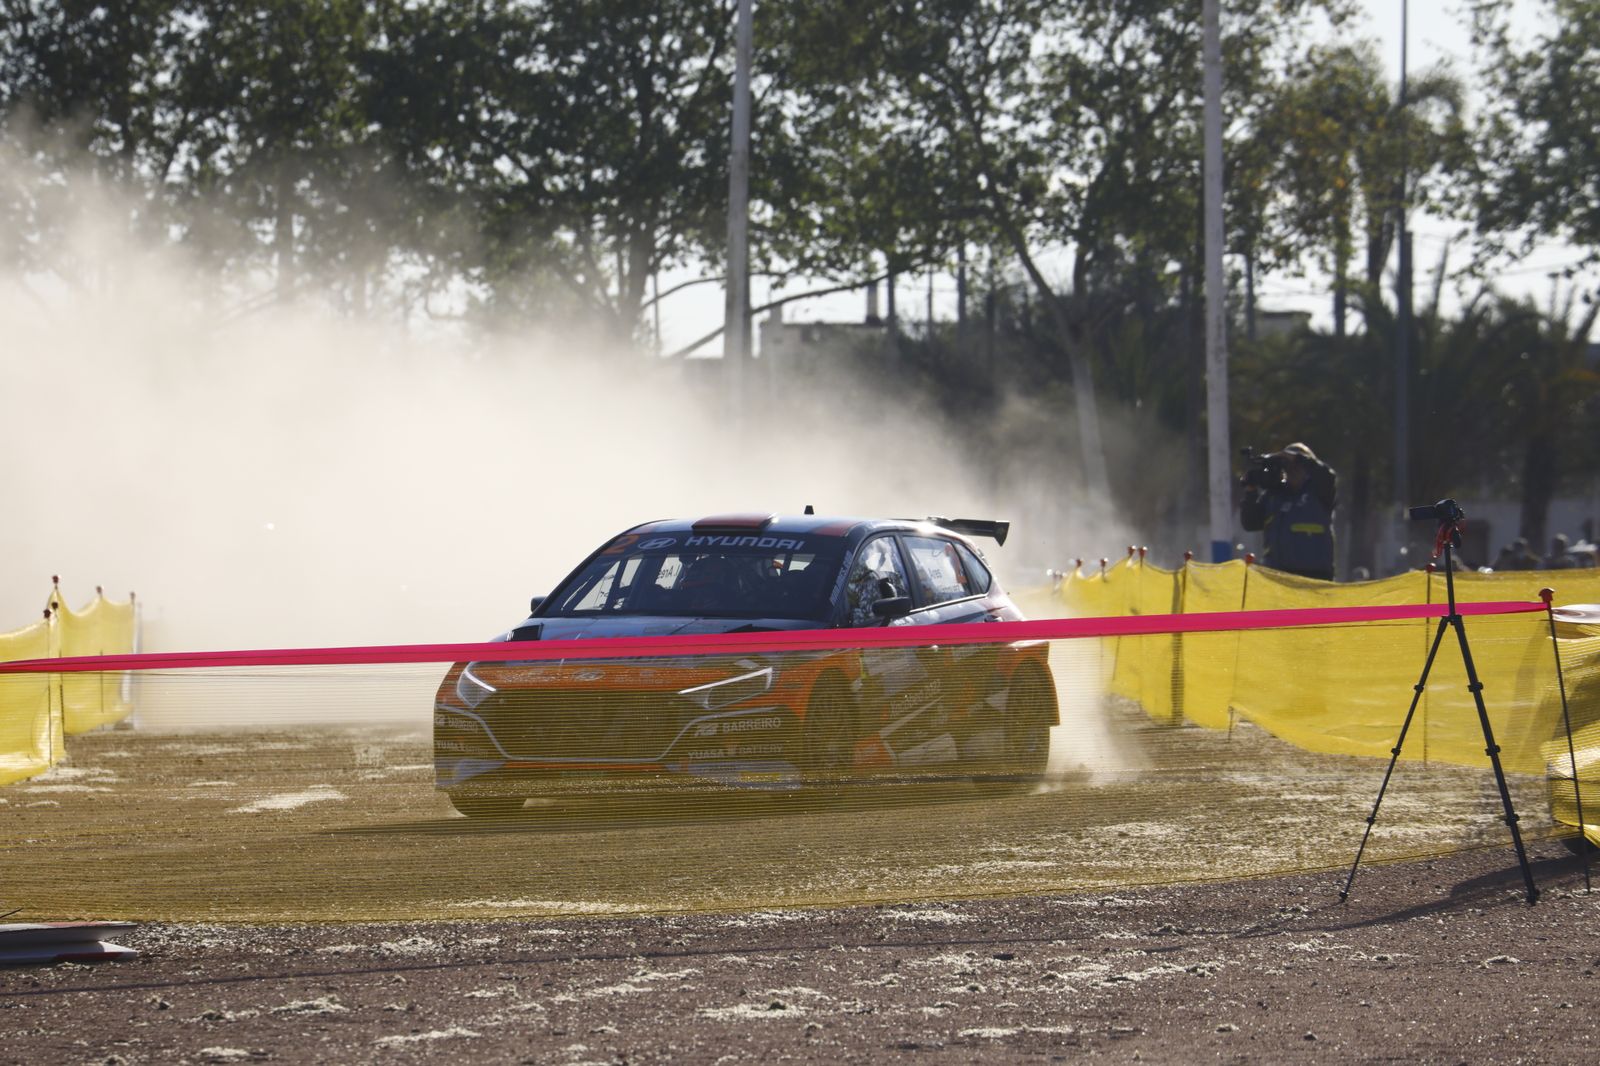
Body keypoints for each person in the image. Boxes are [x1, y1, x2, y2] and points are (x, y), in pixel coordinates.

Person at [1239, 442, 1337, 581]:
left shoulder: (1320, 492)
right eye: (1287, 466)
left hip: (1315, 578)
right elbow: (1250, 523)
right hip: (1277, 576)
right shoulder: (1273, 496)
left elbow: (1328, 476)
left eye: (1297, 466)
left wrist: (1296, 457)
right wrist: (1250, 491)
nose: (1292, 470)